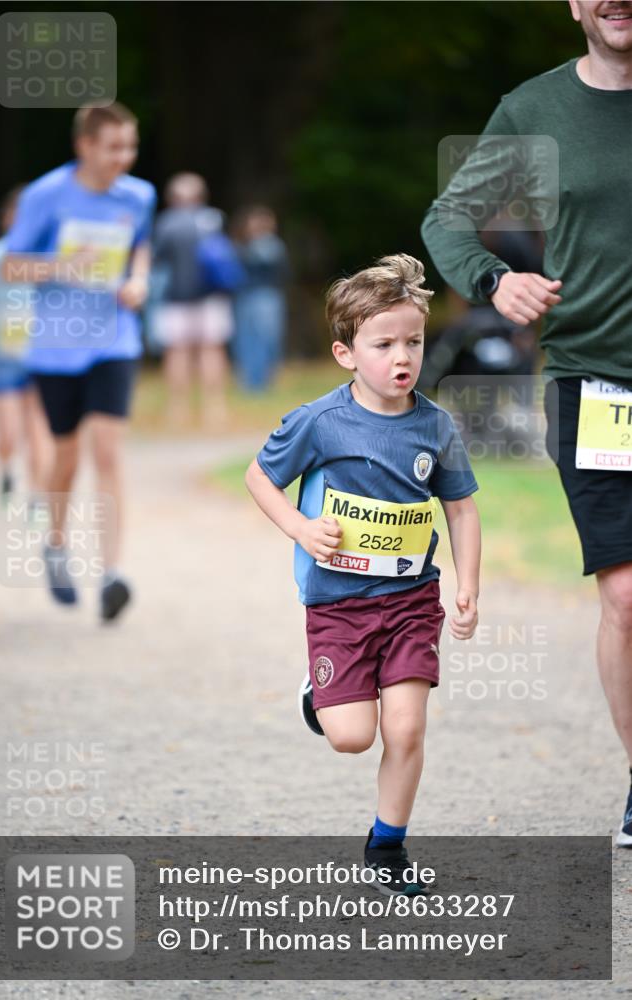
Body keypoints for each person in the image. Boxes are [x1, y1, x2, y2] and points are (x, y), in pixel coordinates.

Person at [421, 0, 632, 846]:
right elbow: (447, 218)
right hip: (597, 385)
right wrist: (491, 279)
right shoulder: (534, 110)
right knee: (625, 595)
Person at [246, 254, 480, 893]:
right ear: (347, 353)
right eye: (384, 345)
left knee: (406, 727)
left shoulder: (435, 425)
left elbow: (460, 508)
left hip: (410, 598)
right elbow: (259, 478)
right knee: (352, 737)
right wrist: (299, 527)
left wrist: (467, 586)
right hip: (339, 605)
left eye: (413, 341)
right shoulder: (320, 422)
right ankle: (319, 693)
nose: (402, 357)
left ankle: (387, 846)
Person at [4, 103, 156, 621]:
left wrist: (138, 281)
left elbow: (141, 247)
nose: (124, 158)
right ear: (84, 147)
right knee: (65, 455)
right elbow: (10, 265)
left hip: (114, 339)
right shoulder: (45, 195)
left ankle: (111, 574)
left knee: (108, 450)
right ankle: (55, 544)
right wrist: (59, 265)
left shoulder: (139, 195)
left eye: (129, 146)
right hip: (55, 346)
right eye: (114, 147)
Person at [0, 187, 52, 502]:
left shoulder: (47, 260)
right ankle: (6, 469)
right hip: (3, 355)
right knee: (8, 434)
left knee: (38, 430)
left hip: (41, 353)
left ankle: (37, 494)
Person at [151, 173, 240, 429]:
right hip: (213, 297)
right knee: (212, 350)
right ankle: (215, 409)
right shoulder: (214, 219)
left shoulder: (166, 223)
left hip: (175, 298)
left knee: (177, 352)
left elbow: (157, 259)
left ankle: (177, 410)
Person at [231, 205, 290, 392]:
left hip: (266, 296)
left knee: (266, 338)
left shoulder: (271, 245)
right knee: (247, 339)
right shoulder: (246, 246)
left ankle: (264, 381)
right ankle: (251, 382)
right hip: (247, 296)